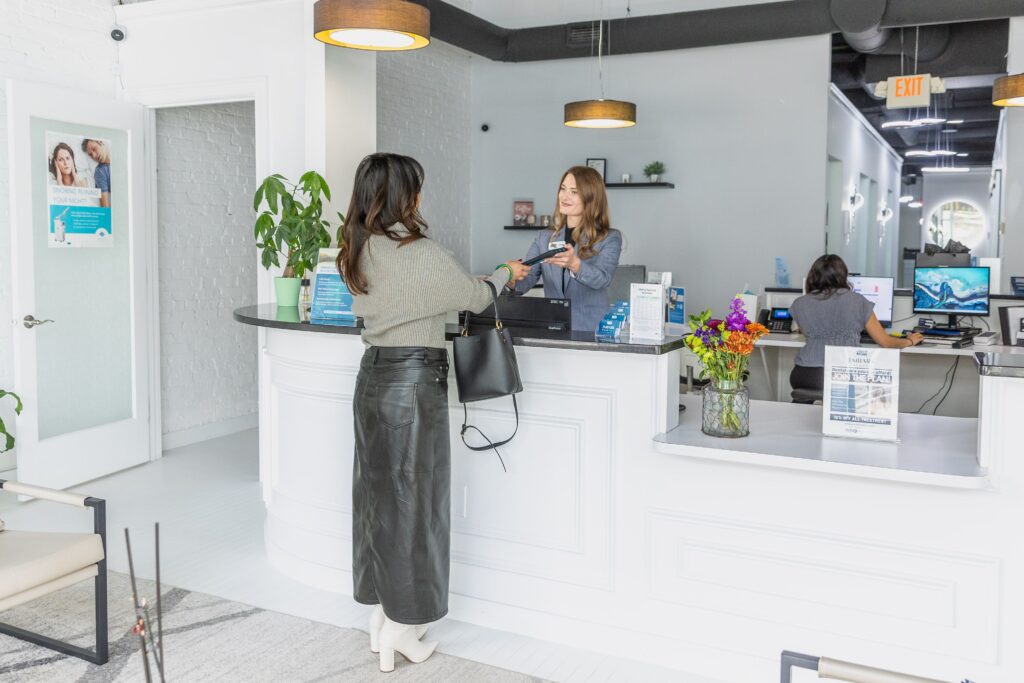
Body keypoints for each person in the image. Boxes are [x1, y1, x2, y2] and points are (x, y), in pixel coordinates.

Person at [336, 153, 526, 673]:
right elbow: (474, 296)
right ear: (404, 197)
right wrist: (506, 273)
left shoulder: (359, 248)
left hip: (372, 379)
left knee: (379, 502)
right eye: (415, 188)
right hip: (413, 386)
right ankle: (402, 627)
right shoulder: (419, 253)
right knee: (415, 506)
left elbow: (419, 300)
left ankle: (383, 617)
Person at [790, 254, 924, 402]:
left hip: (804, 375)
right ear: (843, 276)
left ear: (813, 276)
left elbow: (805, 330)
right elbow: (885, 342)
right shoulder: (858, 301)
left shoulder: (799, 303)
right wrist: (909, 341)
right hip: (841, 376)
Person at [506, 165, 622, 331]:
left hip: (590, 329)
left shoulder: (610, 238)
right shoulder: (544, 238)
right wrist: (508, 277)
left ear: (591, 198)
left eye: (574, 192)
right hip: (553, 327)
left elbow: (603, 279)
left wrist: (575, 265)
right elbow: (527, 279)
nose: (565, 196)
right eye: (563, 189)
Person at [82, 138, 111, 207]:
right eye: (91, 155)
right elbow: (105, 208)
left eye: (94, 149)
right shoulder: (100, 172)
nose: (94, 156)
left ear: (100, 142)